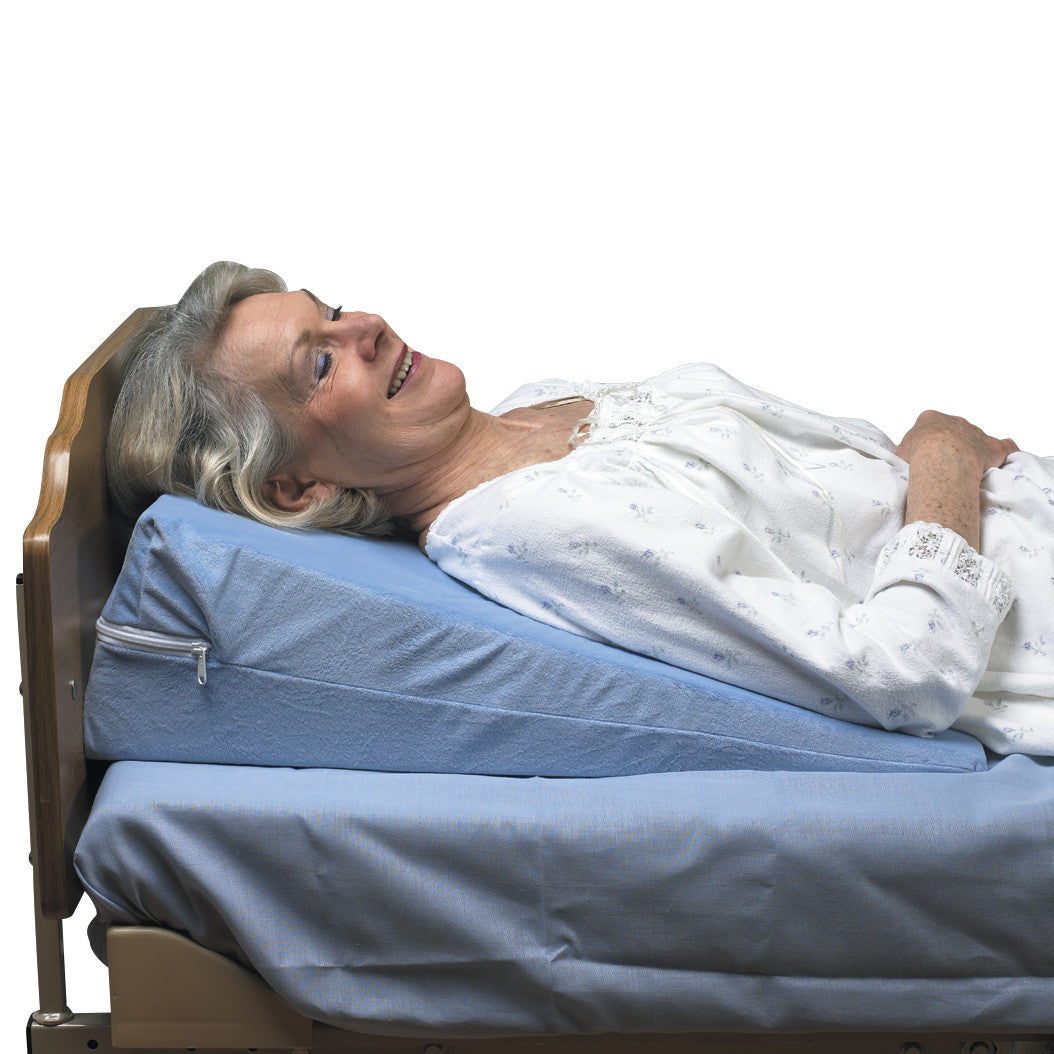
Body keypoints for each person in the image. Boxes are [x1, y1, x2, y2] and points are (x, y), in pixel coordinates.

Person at [109, 261, 1054, 755]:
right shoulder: (527, 530)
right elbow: (899, 674)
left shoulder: (542, 400)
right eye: (320, 363)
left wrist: (950, 461)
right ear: (296, 487)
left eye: (335, 309)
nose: (368, 329)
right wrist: (943, 455)